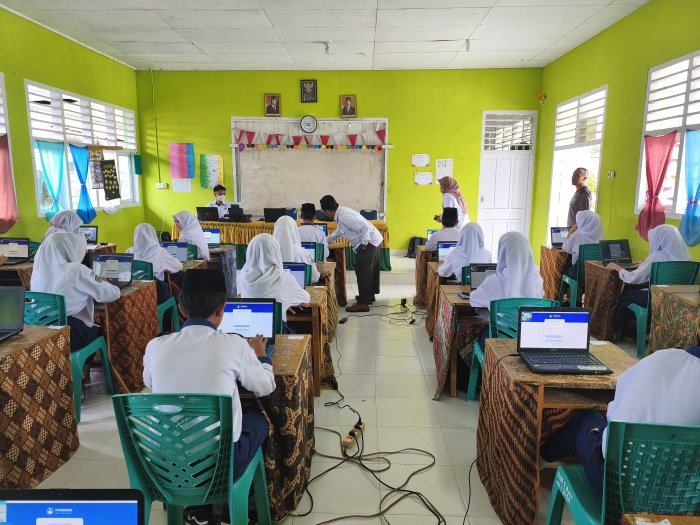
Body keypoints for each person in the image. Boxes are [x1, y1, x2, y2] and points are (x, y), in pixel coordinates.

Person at [143, 269, 275, 525]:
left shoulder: (155, 346)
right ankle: (237, 511)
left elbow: (149, 382)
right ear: (222, 310)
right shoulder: (234, 345)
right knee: (259, 420)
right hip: (220, 467)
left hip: (166, 465)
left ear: (181, 309)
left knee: (189, 432)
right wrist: (262, 357)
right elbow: (265, 387)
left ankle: (199, 510)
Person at [540, 315, 700, 493]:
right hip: (682, 496)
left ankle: (537, 462)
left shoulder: (660, 358)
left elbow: (615, 416)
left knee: (586, 418)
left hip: (616, 489)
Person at [31, 233, 120, 351]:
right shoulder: (78, 270)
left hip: (38, 333)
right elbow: (111, 294)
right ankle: (85, 362)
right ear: (70, 249)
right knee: (99, 331)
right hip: (69, 335)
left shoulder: (38, 271)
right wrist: (102, 281)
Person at [609, 224, 690, 333]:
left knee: (625, 293)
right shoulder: (686, 258)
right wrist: (645, 264)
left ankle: (616, 330)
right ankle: (639, 328)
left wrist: (618, 268)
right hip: (675, 300)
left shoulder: (656, 257)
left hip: (655, 299)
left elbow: (633, 278)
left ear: (660, 239)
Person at [321, 195, 383, 312]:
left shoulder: (344, 217)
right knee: (369, 270)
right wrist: (326, 240)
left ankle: (363, 303)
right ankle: (368, 296)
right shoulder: (342, 214)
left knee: (362, 271)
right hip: (374, 239)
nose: (324, 214)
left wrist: (364, 245)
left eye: (324, 212)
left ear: (328, 211)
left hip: (369, 242)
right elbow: (340, 231)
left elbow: (364, 227)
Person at [236, 234, 310, 325]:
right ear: (275, 252)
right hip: (274, 328)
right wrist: (287, 303)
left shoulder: (241, 276)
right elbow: (305, 298)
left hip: (248, 326)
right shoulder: (283, 277)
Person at [469, 231, 544, 310]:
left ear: (502, 252)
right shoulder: (538, 281)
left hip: (500, 319)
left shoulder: (493, 281)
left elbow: (473, 299)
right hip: (528, 318)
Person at [127, 224, 183, 305]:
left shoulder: (129, 252)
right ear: (153, 234)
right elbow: (178, 266)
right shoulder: (159, 252)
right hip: (155, 294)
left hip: (134, 293)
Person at [273, 215, 320, 283]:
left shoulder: (269, 251)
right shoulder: (301, 252)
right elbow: (314, 278)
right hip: (298, 288)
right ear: (294, 230)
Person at [561, 211, 603, 279]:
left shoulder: (576, 236)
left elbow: (565, 248)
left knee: (561, 269)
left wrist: (570, 232)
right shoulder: (599, 236)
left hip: (578, 272)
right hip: (594, 273)